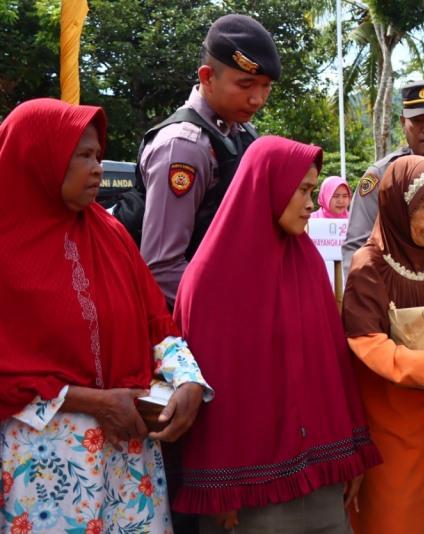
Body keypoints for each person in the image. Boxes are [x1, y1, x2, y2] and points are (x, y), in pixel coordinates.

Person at [0, 99, 211, 533]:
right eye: (81, 155)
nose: (97, 168)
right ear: (38, 157)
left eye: (98, 156)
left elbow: (157, 323)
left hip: (126, 461)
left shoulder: (111, 235)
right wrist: (92, 401)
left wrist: (188, 380)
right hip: (45, 469)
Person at [171, 136, 380, 532]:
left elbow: (332, 366)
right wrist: (220, 487)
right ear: (266, 185)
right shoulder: (211, 278)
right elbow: (207, 391)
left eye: (312, 190)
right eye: (301, 190)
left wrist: (352, 450)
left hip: (320, 477)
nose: (308, 202)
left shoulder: (307, 262)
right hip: (249, 493)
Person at [343, 155, 424, 533]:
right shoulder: (369, 266)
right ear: (397, 206)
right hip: (386, 423)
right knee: (392, 515)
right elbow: (367, 344)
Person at [137, 14, 279, 307]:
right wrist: (235, 307)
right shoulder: (183, 147)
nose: (258, 98)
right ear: (207, 77)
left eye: (266, 86)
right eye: (246, 84)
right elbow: (161, 269)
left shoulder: (242, 133)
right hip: (194, 328)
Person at [343, 80, 424, 275]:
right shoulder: (382, 177)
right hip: (402, 297)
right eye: (419, 120)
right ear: (402, 123)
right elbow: (356, 248)